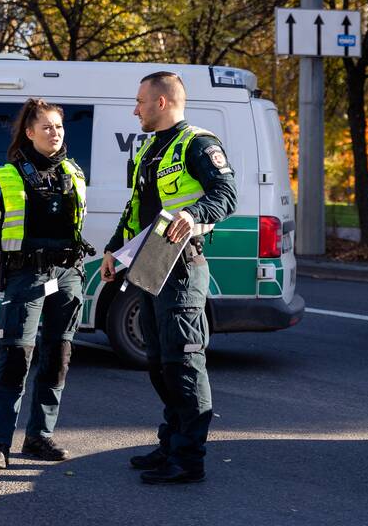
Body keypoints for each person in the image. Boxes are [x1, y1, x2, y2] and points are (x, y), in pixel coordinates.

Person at [101, 72, 237, 485]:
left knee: (184, 364)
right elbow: (136, 209)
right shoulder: (151, 149)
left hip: (182, 267)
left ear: (161, 102)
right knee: (159, 363)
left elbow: (226, 194)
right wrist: (112, 249)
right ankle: (171, 443)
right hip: (150, 266)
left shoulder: (197, 143)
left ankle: (189, 459)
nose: (135, 108)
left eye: (141, 100)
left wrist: (192, 215)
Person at [0, 98, 92, 472]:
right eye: (46, 127)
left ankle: (39, 436)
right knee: (15, 358)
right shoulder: (7, 176)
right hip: (28, 277)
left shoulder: (73, 172)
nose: (54, 133)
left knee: (57, 357)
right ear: (29, 132)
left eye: (58, 127)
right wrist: (18, 265)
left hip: (68, 275)